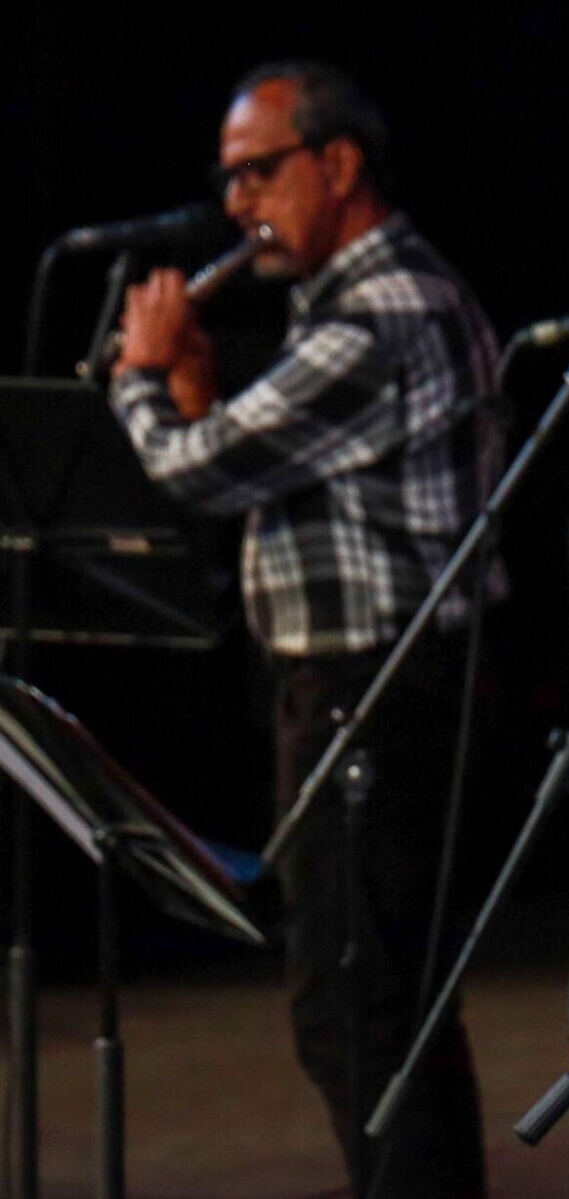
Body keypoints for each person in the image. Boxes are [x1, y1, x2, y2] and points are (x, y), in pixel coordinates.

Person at [109, 61, 501, 1196]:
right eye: (227, 180)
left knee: (357, 1004)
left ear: (338, 165)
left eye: (257, 173)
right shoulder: (343, 304)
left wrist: (140, 378)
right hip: (358, 687)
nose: (238, 204)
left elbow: (202, 471)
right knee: (376, 1001)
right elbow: (282, 476)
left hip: (375, 690)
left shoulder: (384, 308)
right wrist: (195, 390)